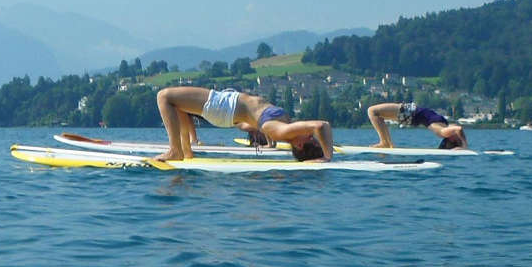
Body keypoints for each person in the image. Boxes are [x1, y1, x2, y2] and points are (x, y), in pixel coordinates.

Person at [151, 87, 332, 162]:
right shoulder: (286, 125)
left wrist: (327, 157)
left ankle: (175, 151)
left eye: (310, 139)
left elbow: (322, 125)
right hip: (227, 105)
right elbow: (322, 128)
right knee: (177, 104)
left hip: (223, 108)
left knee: (164, 96)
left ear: (300, 144)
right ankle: (185, 151)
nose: (310, 134)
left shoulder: (279, 131)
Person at [366, 102, 467, 149]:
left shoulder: (443, 132)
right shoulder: (443, 124)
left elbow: (459, 128)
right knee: (378, 116)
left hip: (410, 113)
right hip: (411, 114)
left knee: (372, 111)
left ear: (452, 139)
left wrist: (464, 146)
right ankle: (388, 144)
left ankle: (385, 143)